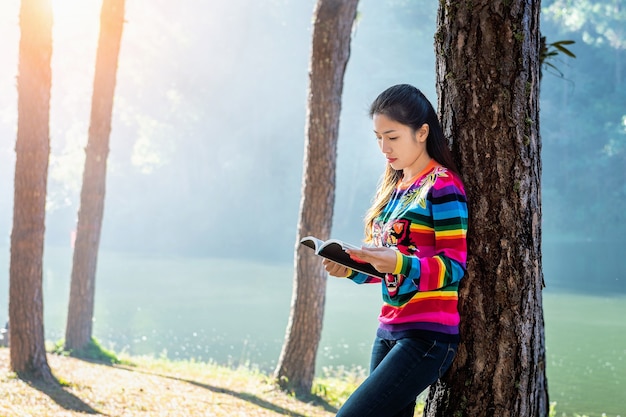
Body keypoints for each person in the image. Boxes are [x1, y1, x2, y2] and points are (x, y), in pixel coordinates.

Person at [324, 84, 468, 417]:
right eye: (378, 138)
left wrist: (400, 262)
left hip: (427, 336)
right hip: (388, 329)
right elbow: (389, 272)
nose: (384, 148)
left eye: (392, 137)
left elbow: (453, 266)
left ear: (422, 132)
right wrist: (350, 270)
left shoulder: (443, 185)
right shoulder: (395, 190)